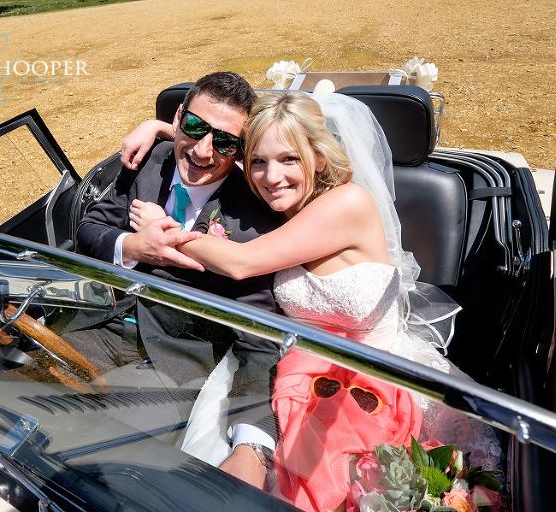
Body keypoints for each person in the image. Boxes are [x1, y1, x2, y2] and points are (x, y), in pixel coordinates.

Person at [124, 91, 501, 511]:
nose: (272, 177)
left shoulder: (348, 202)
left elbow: (242, 264)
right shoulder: (275, 203)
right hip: (288, 368)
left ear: (318, 159)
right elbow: (211, 148)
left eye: (290, 159)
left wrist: (165, 229)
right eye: (259, 162)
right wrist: (159, 128)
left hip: (372, 379)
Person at [77, 72, 285, 489]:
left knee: (100, 468)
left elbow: (260, 337)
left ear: (241, 151)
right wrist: (133, 247)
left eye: (225, 142)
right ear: (178, 118)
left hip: (172, 365)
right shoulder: (152, 160)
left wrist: (253, 447)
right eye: (194, 128)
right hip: (95, 321)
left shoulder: (256, 220)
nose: (204, 151)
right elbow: (91, 225)